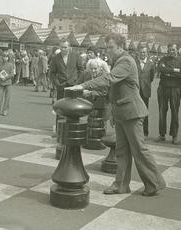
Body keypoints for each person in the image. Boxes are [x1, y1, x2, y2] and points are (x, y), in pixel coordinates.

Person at [69, 34, 166, 196]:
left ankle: (155, 183)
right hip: (122, 112)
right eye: (106, 47)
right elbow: (112, 89)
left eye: (111, 47)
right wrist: (90, 92)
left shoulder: (126, 61)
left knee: (139, 150)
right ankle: (120, 185)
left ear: (120, 47)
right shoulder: (118, 61)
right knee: (121, 151)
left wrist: (82, 85)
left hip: (132, 112)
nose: (107, 50)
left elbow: (109, 79)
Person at [156, 44, 181, 144]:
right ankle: (162, 135)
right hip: (163, 87)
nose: (172, 51)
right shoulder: (163, 59)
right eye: (170, 50)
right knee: (162, 111)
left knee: (175, 112)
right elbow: (160, 69)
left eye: (173, 49)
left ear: (177, 50)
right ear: (168, 50)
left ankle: (174, 136)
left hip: (175, 88)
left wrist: (168, 72)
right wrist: (174, 70)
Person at [135, 46, 155, 139]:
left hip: (145, 91)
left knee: (144, 111)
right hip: (135, 90)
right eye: (141, 52)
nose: (142, 54)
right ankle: (135, 132)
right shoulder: (135, 62)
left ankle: (145, 132)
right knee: (135, 111)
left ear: (147, 53)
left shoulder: (151, 64)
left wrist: (145, 84)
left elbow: (152, 77)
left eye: (144, 52)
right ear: (138, 53)